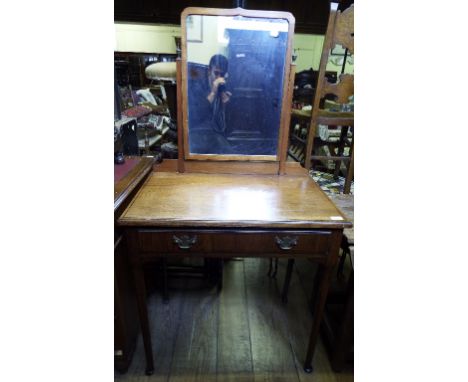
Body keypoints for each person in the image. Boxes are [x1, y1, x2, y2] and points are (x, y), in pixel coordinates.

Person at [187, 54, 233, 153]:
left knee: (229, 153)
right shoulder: (196, 86)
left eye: (222, 74)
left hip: (215, 134)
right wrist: (212, 93)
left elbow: (225, 125)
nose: (218, 78)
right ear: (209, 71)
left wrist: (225, 106)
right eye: (216, 73)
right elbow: (195, 116)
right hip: (197, 133)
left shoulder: (224, 86)